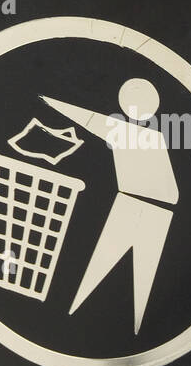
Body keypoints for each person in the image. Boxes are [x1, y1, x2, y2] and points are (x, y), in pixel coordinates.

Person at [41, 79, 178, 335]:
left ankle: (134, 328)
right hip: (142, 206)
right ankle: (75, 313)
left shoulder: (134, 133)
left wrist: (50, 102)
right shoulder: (149, 135)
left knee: (138, 273)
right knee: (105, 266)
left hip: (150, 210)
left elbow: (89, 119)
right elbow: (92, 120)